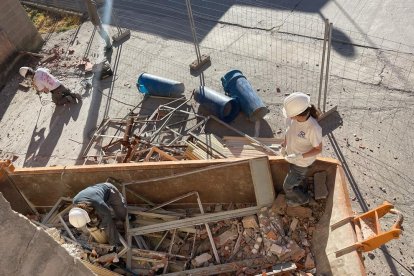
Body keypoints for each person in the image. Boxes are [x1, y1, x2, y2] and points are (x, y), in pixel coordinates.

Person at [281, 92, 322, 206]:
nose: (288, 116)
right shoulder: (291, 119)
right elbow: (288, 131)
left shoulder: (313, 128)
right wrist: (284, 145)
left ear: (298, 114)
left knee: (287, 187)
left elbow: (318, 149)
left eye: (290, 115)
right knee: (296, 179)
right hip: (292, 157)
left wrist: (300, 156)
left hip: (302, 163)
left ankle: (303, 199)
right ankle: (300, 187)